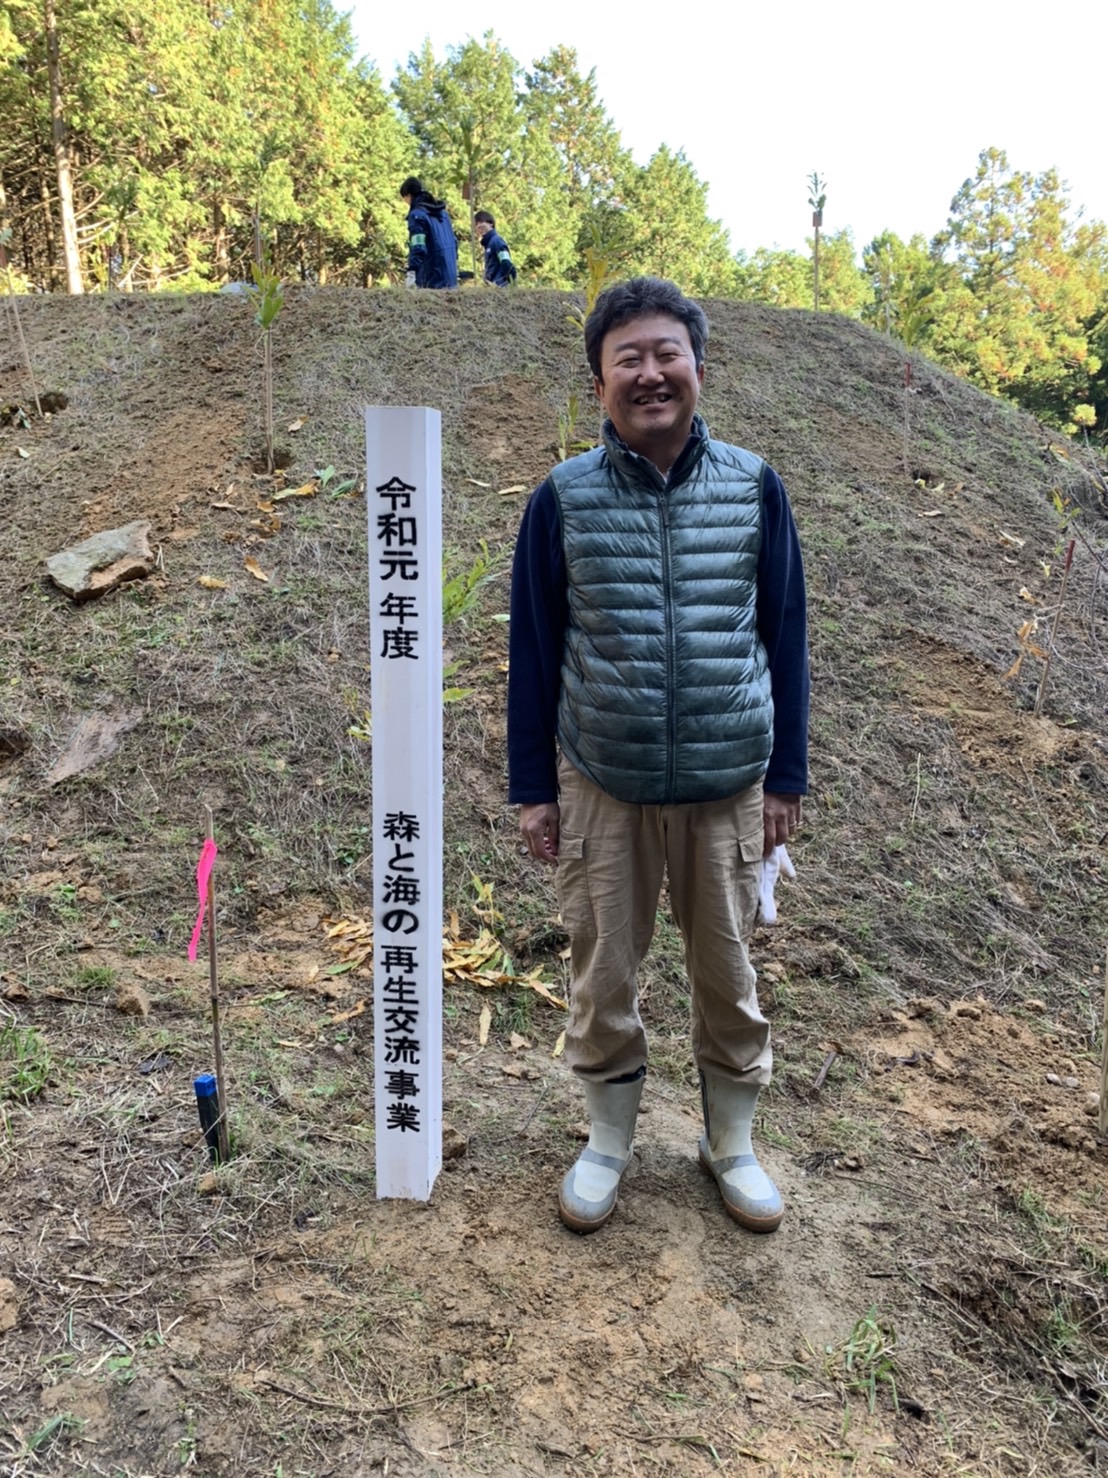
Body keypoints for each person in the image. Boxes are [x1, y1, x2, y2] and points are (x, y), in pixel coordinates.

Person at [508, 277, 809, 1236]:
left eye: (666, 354)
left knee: (728, 971)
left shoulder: (754, 487)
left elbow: (787, 634)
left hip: (730, 783)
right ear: (598, 383)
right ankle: (607, 1142)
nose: (650, 374)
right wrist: (534, 789)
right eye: (626, 359)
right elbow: (535, 649)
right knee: (603, 971)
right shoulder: (562, 499)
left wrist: (787, 777)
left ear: (699, 369)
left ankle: (732, 1144)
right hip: (605, 779)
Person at [399, 176, 458, 289]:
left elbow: (418, 245)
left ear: (408, 195)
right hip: (450, 276)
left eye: (404, 198)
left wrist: (412, 270)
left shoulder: (417, 216)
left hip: (431, 278)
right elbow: (454, 242)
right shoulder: (443, 214)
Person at [473, 211, 517, 287]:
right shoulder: (488, 244)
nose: (479, 226)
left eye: (481, 222)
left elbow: (506, 262)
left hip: (500, 286)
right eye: (476, 224)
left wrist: (509, 282)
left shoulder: (496, 241)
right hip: (492, 286)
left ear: (491, 224)